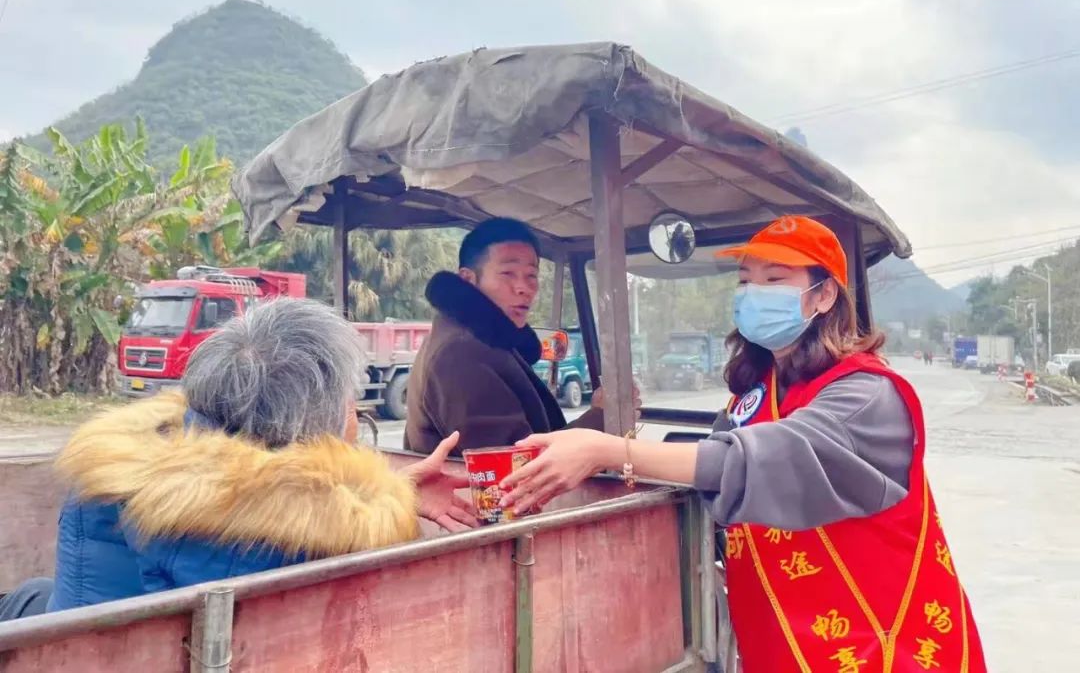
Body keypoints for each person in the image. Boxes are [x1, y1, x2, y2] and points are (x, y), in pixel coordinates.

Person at [500, 216, 987, 672]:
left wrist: (609, 450)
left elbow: (763, 461)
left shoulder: (867, 395)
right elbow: (715, 475)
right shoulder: (756, 392)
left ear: (823, 296)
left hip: (879, 644)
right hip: (783, 640)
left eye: (774, 280)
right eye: (745, 281)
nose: (754, 293)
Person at [45, 297, 476, 613]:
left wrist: (399, 490)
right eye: (350, 400)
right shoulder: (325, 540)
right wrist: (389, 498)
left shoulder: (111, 471)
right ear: (317, 425)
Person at [405, 217, 635, 455]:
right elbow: (516, 463)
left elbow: (533, 442)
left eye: (531, 275)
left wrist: (598, 414)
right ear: (468, 279)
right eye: (508, 273)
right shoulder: (460, 352)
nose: (524, 288)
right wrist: (600, 417)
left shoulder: (491, 338)